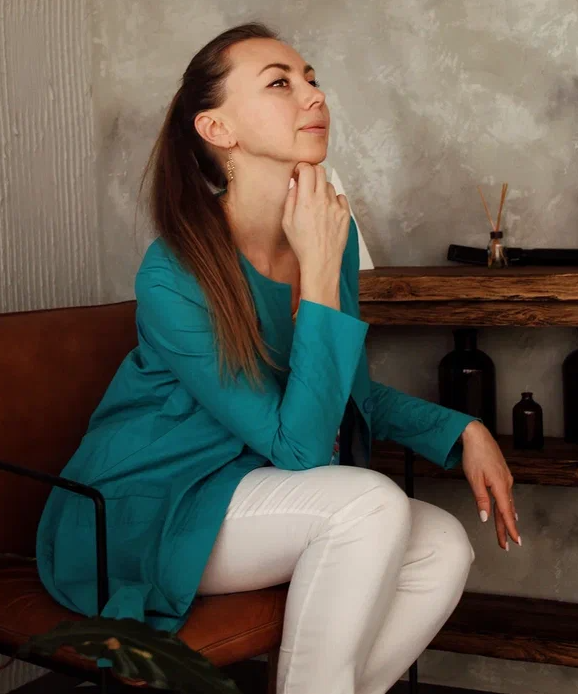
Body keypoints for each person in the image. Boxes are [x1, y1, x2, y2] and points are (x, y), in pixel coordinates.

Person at [36, 22, 521, 694]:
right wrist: (319, 272)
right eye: (279, 83)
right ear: (217, 129)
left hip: (249, 484)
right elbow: (302, 453)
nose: (313, 96)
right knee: (369, 505)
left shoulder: (326, 235)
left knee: (441, 546)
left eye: (311, 79)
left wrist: (462, 430)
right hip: (147, 507)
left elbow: (343, 392)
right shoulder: (174, 272)